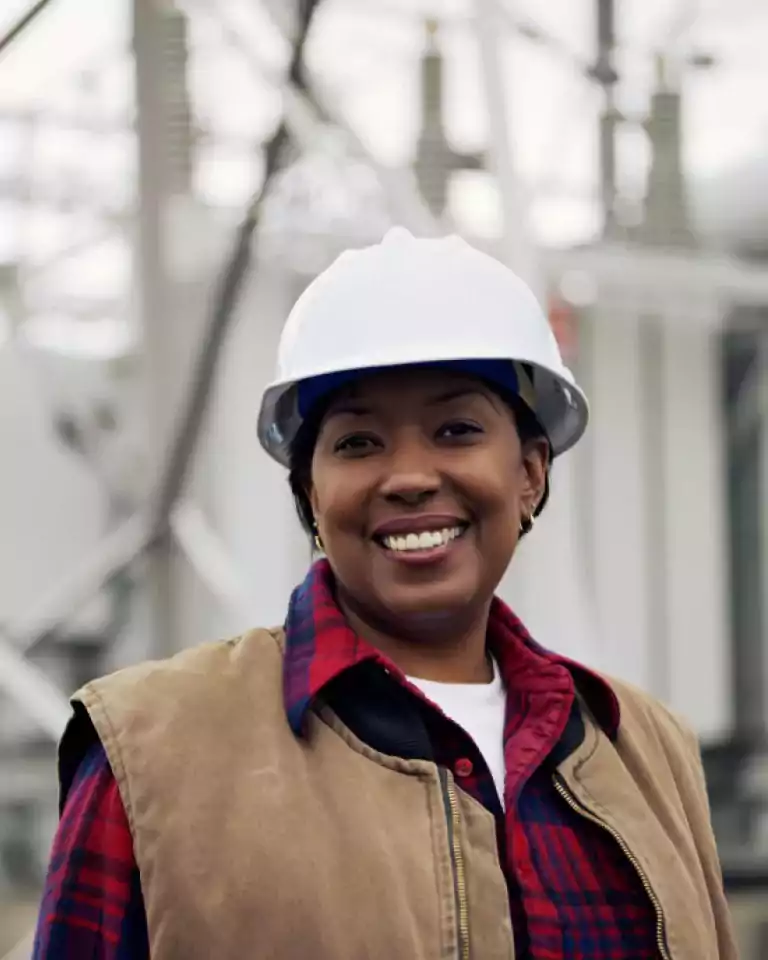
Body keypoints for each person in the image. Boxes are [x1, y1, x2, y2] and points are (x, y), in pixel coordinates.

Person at [34, 227, 736, 959]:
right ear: (311, 489)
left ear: (530, 472)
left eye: (456, 429)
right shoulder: (151, 756)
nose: (407, 476)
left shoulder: (649, 750)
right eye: (358, 443)